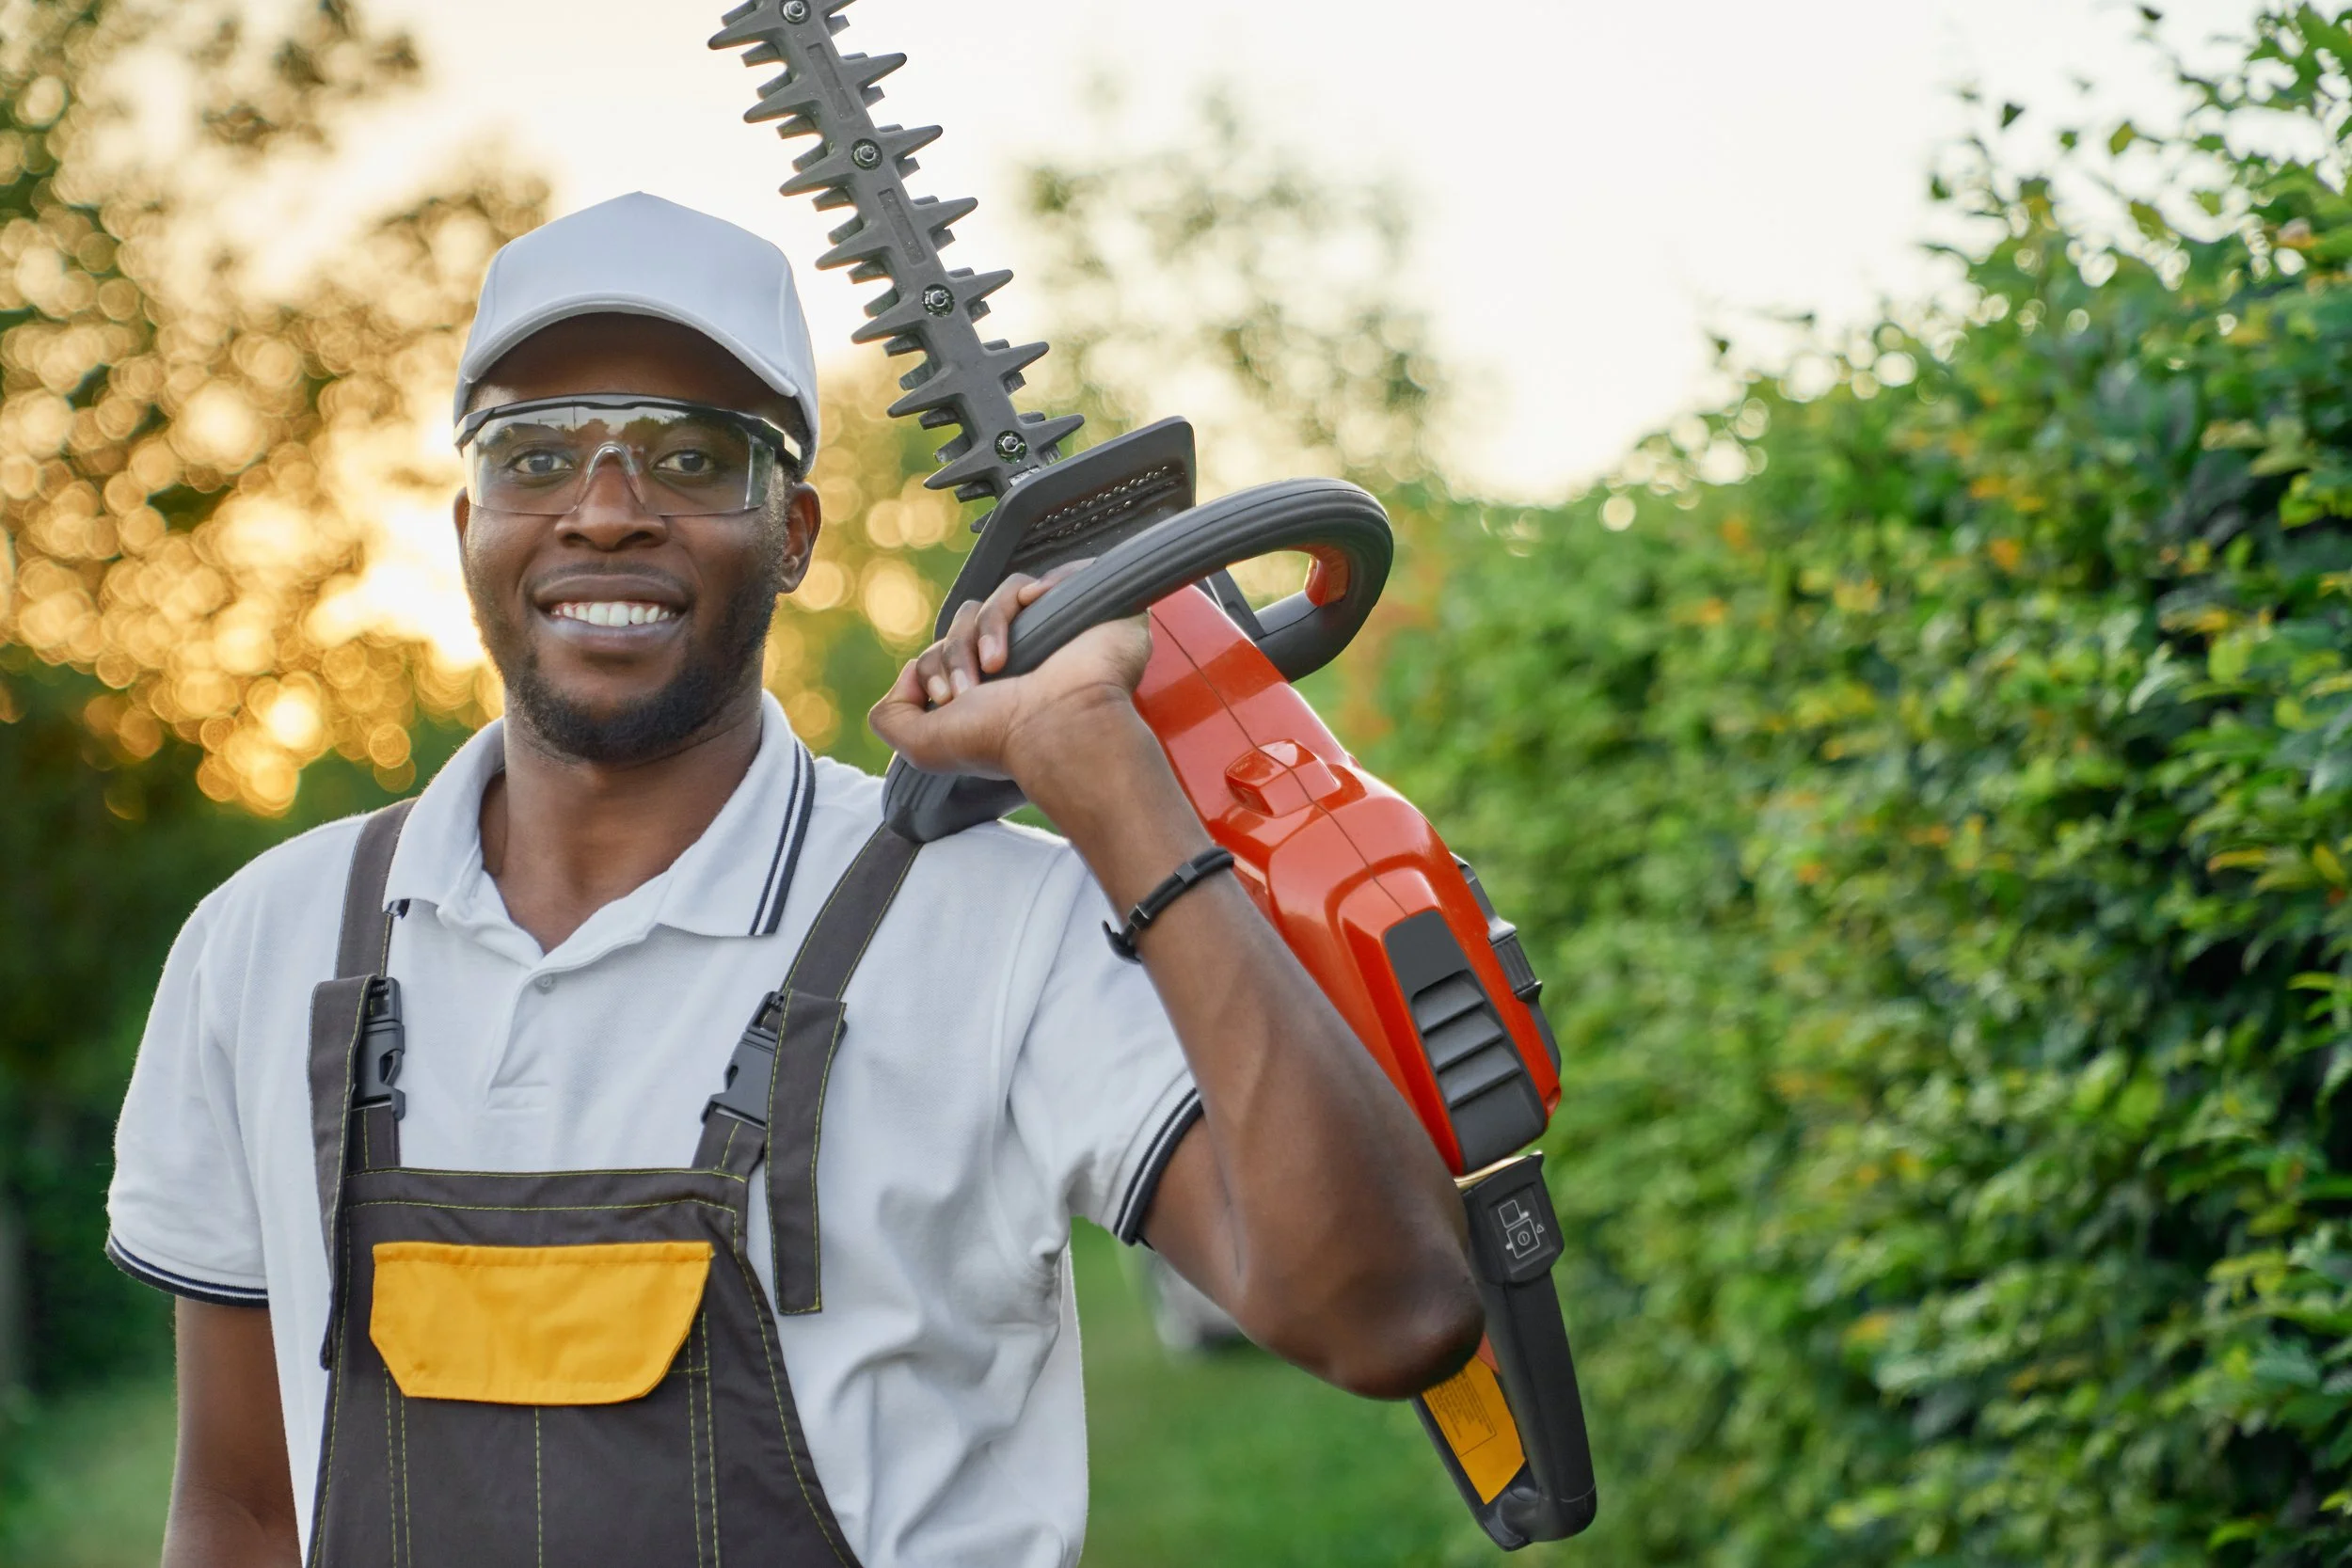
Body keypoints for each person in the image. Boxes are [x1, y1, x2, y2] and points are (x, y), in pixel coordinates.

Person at [106, 192, 1480, 1568]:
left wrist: (1111, 777)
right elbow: (242, 1510)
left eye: (695, 455)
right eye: (537, 451)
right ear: (470, 520)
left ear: (800, 530)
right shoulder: (266, 946)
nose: (605, 510)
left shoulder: (1000, 923)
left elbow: (1390, 1314)